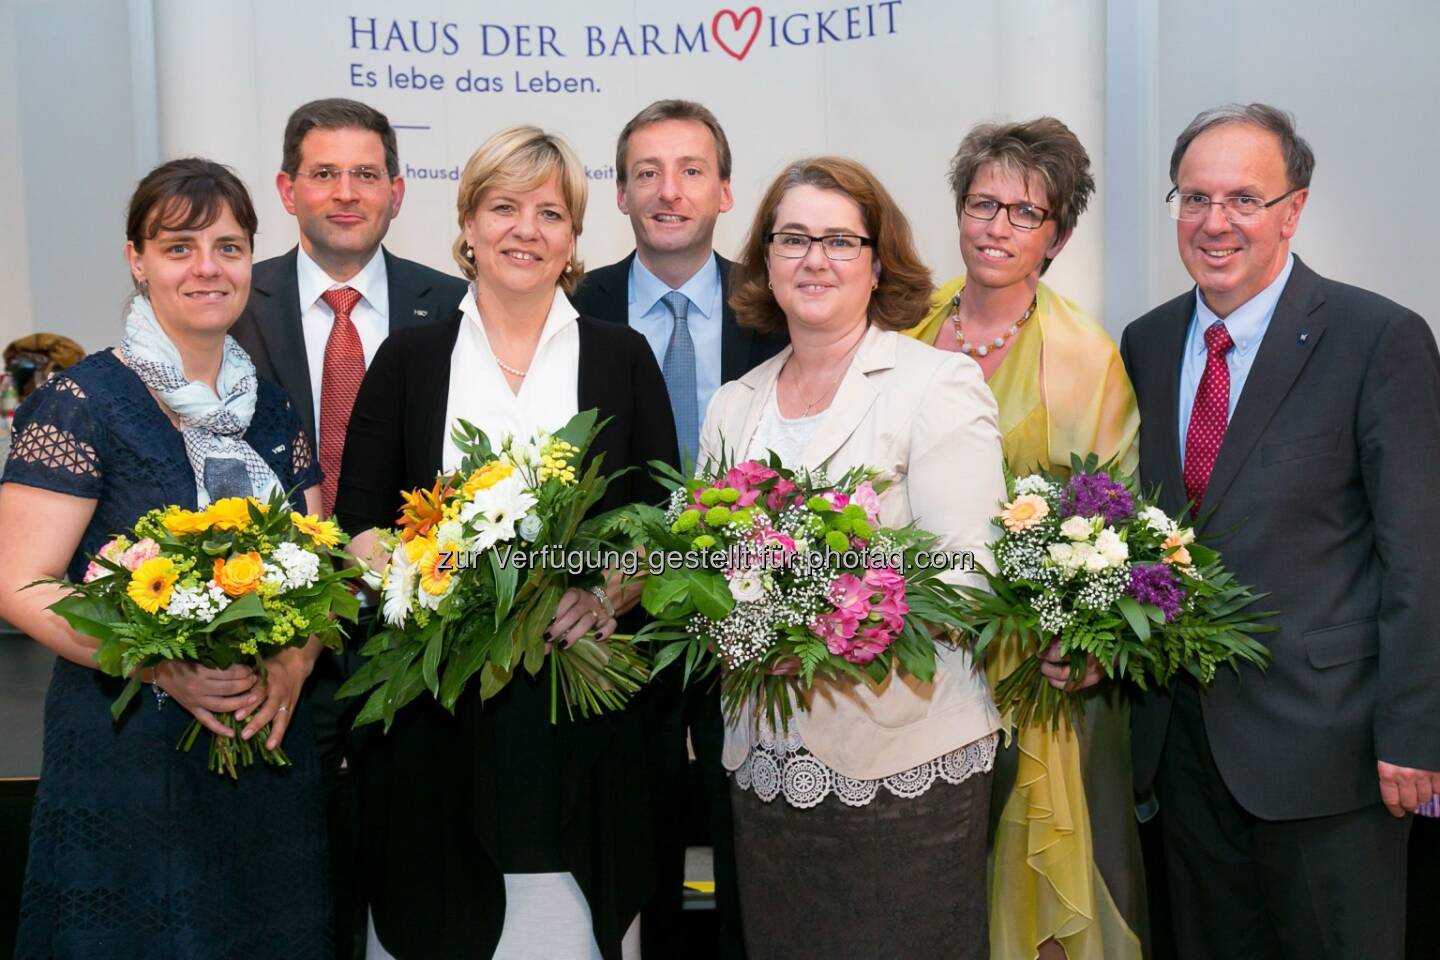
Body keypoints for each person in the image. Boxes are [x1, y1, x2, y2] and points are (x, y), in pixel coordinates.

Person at [335, 125, 676, 960]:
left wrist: (605, 595)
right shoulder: (409, 358)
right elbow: (358, 526)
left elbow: (663, 524)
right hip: (435, 728)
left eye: (551, 213)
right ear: (469, 225)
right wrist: (433, 582)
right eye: (504, 207)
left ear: (572, 239)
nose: (527, 229)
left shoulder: (622, 357)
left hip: (586, 728)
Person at [1120, 103, 1440, 960]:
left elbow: (1420, 554)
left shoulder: (1380, 339)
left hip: (1332, 754)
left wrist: (1416, 734)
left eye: (1242, 199)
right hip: (1182, 754)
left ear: (1293, 210)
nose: (1213, 222)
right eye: (1193, 198)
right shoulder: (1146, 343)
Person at [0, 158, 331, 958]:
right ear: (136, 260)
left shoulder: (272, 404)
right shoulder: (82, 402)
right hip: (128, 763)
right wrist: (155, 665)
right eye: (180, 247)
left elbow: (322, 568)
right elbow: (18, 583)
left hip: (264, 753)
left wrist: (290, 667)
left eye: (229, 246)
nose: (208, 268)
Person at [701, 155, 1005, 959]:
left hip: (904, 763)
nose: (814, 259)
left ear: (879, 262)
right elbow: (698, 570)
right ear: (764, 259)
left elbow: (966, 578)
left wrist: (810, 619)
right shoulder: (733, 405)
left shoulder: (936, 385)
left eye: (840, 240)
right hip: (766, 771)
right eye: (793, 238)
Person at [229, 98, 466, 957]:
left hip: (417, 647)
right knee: (282, 890)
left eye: (366, 174)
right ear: (289, 188)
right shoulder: (228, 299)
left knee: (411, 885)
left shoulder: (458, 307)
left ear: (399, 192)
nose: (345, 193)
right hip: (264, 644)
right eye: (324, 174)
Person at [906, 118, 1145, 960]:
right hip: (915, 660)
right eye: (983, 203)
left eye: (1024, 213)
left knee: (1027, 893)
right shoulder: (906, 326)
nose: (996, 227)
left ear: (1060, 235)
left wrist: (1073, 633)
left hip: (1030, 671)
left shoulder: (1084, 356)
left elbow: (1112, 526)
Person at [571, 98, 783, 960]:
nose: (669, 191)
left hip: (755, 617)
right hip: (610, 625)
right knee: (635, 855)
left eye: (691, 170)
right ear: (618, 193)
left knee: (751, 848)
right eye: (646, 173)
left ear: (726, 191)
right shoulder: (569, 308)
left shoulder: (780, 308)